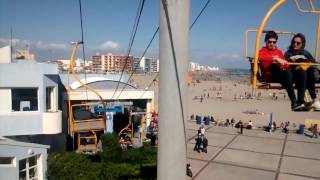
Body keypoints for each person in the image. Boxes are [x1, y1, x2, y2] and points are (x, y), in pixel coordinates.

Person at [259, 31, 300, 111]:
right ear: (266, 41)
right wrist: (275, 59)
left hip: (280, 75)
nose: (272, 44)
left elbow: (284, 64)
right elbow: (260, 58)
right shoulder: (262, 51)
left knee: (290, 73)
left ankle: (295, 102)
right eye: (270, 42)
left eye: (274, 42)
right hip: (270, 75)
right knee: (277, 67)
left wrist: (280, 62)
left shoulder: (279, 52)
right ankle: (294, 101)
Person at [285, 33, 320, 111]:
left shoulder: (305, 53)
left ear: (302, 44)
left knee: (309, 72)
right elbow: (286, 66)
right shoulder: (288, 53)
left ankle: (314, 100)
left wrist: (308, 62)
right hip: (295, 75)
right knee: (303, 72)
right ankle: (305, 100)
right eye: (294, 42)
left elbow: (314, 63)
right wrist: (293, 60)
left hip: (307, 74)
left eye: (298, 43)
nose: (295, 44)